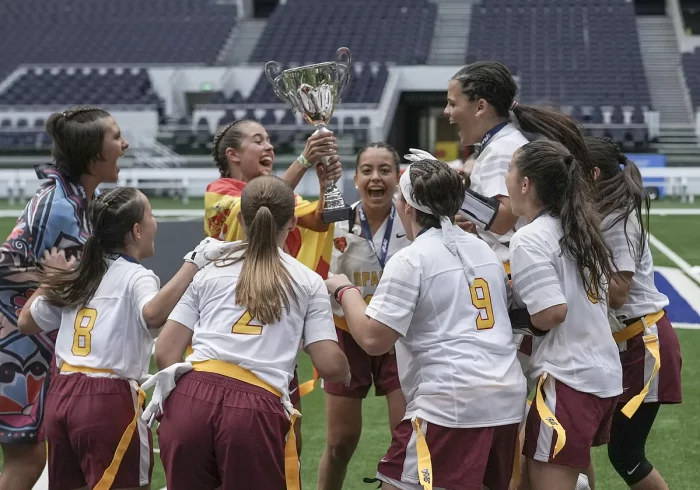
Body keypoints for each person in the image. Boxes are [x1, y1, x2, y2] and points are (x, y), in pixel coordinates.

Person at [326, 159, 527, 490]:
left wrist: (344, 290)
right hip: (506, 398)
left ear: (407, 205)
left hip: (449, 402)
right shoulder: (482, 249)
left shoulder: (411, 258)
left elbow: (374, 339)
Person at [15, 187, 231, 490]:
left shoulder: (82, 272)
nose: (156, 222)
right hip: (107, 400)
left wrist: (52, 279)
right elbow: (153, 315)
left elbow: (26, 322)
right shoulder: (136, 275)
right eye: (151, 214)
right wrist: (193, 263)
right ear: (137, 230)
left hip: (62, 394)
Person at [143, 175, 350, 490]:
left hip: (191, 401)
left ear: (240, 217)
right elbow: (331, 366)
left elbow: (165, 354)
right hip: (254, 409)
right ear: (293, 223)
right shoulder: (308, 281)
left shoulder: (208, 270)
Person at [0, 106, 128, 490]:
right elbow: (68, 280)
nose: (125, 144)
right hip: (19, 351)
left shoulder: (75, 199)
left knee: (42, 457)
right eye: (116, 137)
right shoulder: (62, 209)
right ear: (92, 154)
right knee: (26, 460)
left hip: (29, 344)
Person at [203, 118, 343, 454]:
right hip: (231, 329)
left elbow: (317, 219)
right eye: (258, 140)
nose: (269, 146)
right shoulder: (219, 191)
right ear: (233, 154)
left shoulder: (283, 192)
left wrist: (327, 184)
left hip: (272, 323)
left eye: (269, 139)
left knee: (285, 443)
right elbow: (262, 205)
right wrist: (305, 160)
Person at [505, 140, 623, 490]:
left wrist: (508, 318)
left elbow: (552, 311)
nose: (506, 177)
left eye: (510, 169)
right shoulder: (579, 227)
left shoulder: (530, 238)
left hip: (566, 379)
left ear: (526, 184)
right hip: (598, 374)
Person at [587, 137, 682, 490]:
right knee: (579, 440)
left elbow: (617, 293)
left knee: (626, 453)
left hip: (644, 343)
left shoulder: (619, 220)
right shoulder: (606, 214)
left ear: (593, 174)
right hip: (629, 342)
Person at [318, 143, 409, 490]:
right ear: (355, 179)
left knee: (407, 437)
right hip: (347, 335)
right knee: (340, 443)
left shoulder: (413, 222)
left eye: (385, 170)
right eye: (367, 170)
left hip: (398, 338)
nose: (376, 177)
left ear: (397, 177)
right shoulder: (335, 222)